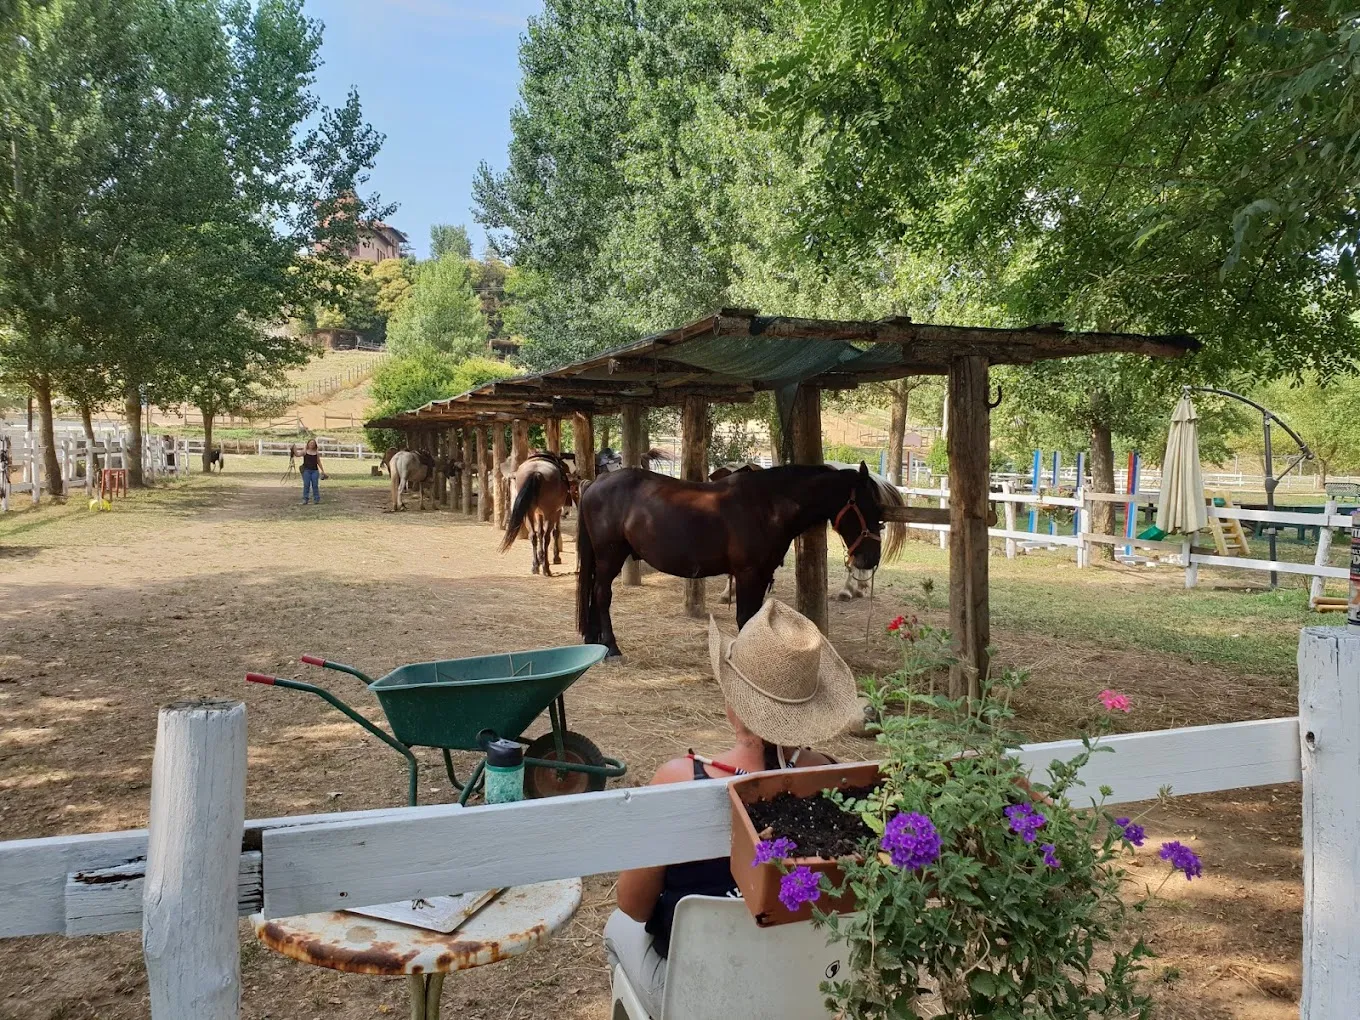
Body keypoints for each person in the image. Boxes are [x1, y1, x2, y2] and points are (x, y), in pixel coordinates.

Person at [604, 599, 859, 1017]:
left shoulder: (677, 779)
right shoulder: (839, 779)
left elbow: (633, 905)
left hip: (699, 997)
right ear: (808, 716)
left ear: (731, 702)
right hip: (809, 991)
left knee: (617, 927)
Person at [300, 439, 325, 505]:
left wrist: (322, 470)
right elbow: (298, 454)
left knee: (315, 485)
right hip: (306, 470)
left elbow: (318, 461)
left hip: (315, 471)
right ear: (308, 444)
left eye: (313, 443)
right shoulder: (305, 451)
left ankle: (316, 499)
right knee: (306, 485)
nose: (312, 444)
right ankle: (305, 499)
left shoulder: (316, 452)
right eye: (310, 443)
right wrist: (293, 450)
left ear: (315, 445)